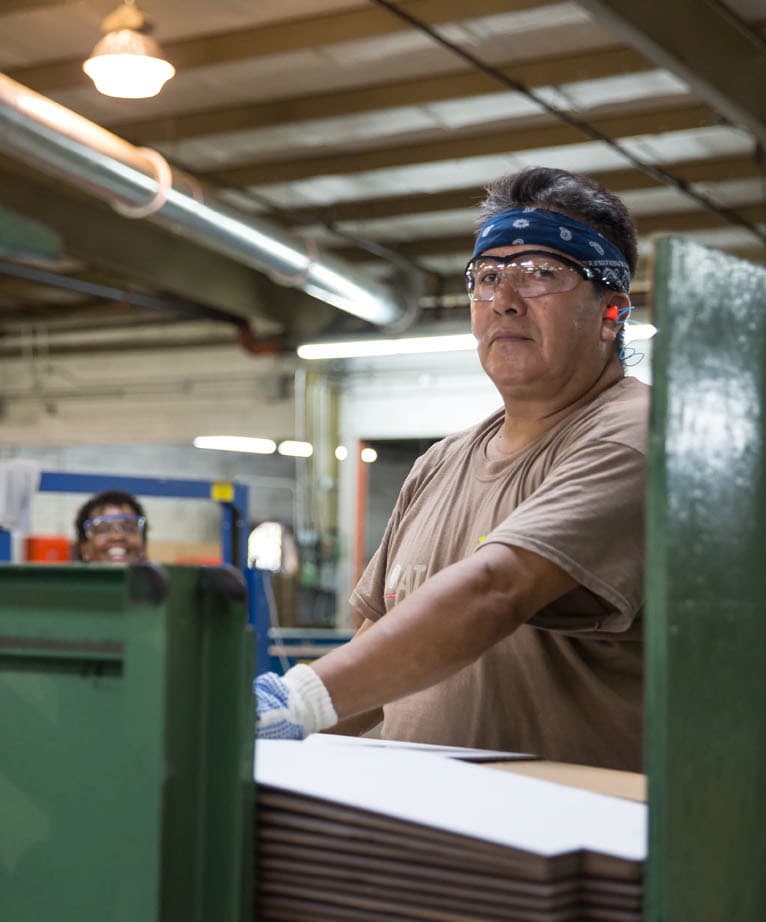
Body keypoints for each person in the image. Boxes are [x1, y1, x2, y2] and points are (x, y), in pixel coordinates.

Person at [254, 166, 647, 771]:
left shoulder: (636, 435)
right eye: (487, 278)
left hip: (568, 844)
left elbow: (498, 590)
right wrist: (281, 746)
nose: (506, 301)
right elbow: (376, 652)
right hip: (427, 836)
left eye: (542, 274)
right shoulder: (440, 462)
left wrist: (295, 699)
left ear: (611, 312)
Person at [74, 490, 148, 564]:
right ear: (84, 547)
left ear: (143, 543)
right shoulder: (67, 576)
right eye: (103, 529)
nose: (117, 537)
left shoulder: (157, 574)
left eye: (128, 528)